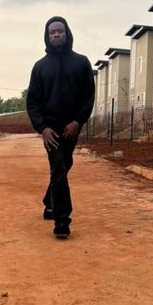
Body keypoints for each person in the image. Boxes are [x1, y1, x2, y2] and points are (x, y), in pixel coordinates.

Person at [26, 16, 95, 239]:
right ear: (47, 36)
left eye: (60, 31)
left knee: (65, 165)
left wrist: (78, 121)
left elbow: (88, 97)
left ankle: (49, 201)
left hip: (71, 128)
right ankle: (62, 220)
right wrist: (42, 128)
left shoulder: (81, 63)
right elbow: (33, 102)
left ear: (67, 34)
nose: (56, 35)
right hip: (51, 130)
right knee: (58, 168)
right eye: (52, 32)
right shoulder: (40, 67)